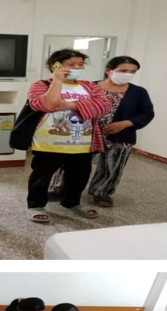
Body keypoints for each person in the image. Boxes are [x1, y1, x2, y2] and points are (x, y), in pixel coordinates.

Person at [25, 49, 110, 224]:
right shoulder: (41, 85)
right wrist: (57, 81)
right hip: (48, 143)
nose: (77, 68)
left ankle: (72, 202)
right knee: (41, 176)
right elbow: (46, 105)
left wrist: (69, 105)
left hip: (82, 142)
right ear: (55, 66)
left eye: (81, 64)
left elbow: (103, 105)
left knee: (79, 176)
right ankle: (35, 205)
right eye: (71, 64)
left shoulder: (89, 86)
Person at [87, 56, 155, 207]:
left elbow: (147, 113)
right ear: (108, 70)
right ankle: (62, 188)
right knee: (75, 164)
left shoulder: (139, 92)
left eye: (132, 72)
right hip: (87, 134)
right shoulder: (90, 87)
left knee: (112, 166)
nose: (127, 74)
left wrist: (126, 123)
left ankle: (101, 192)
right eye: (123, 70)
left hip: (121, 135)